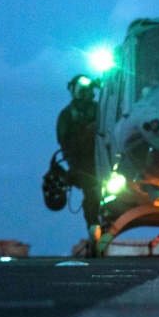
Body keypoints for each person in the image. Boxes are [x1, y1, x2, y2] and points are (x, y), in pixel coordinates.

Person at [56, 74, 101, 233]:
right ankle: (93, 227)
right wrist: (75, 166)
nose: (91, 93)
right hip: (82, 165)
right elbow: (64, 143)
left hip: (104, 160)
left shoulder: (101, 110)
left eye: (91, 89)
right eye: (86, 90)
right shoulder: (66, 116)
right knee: (91, 194)